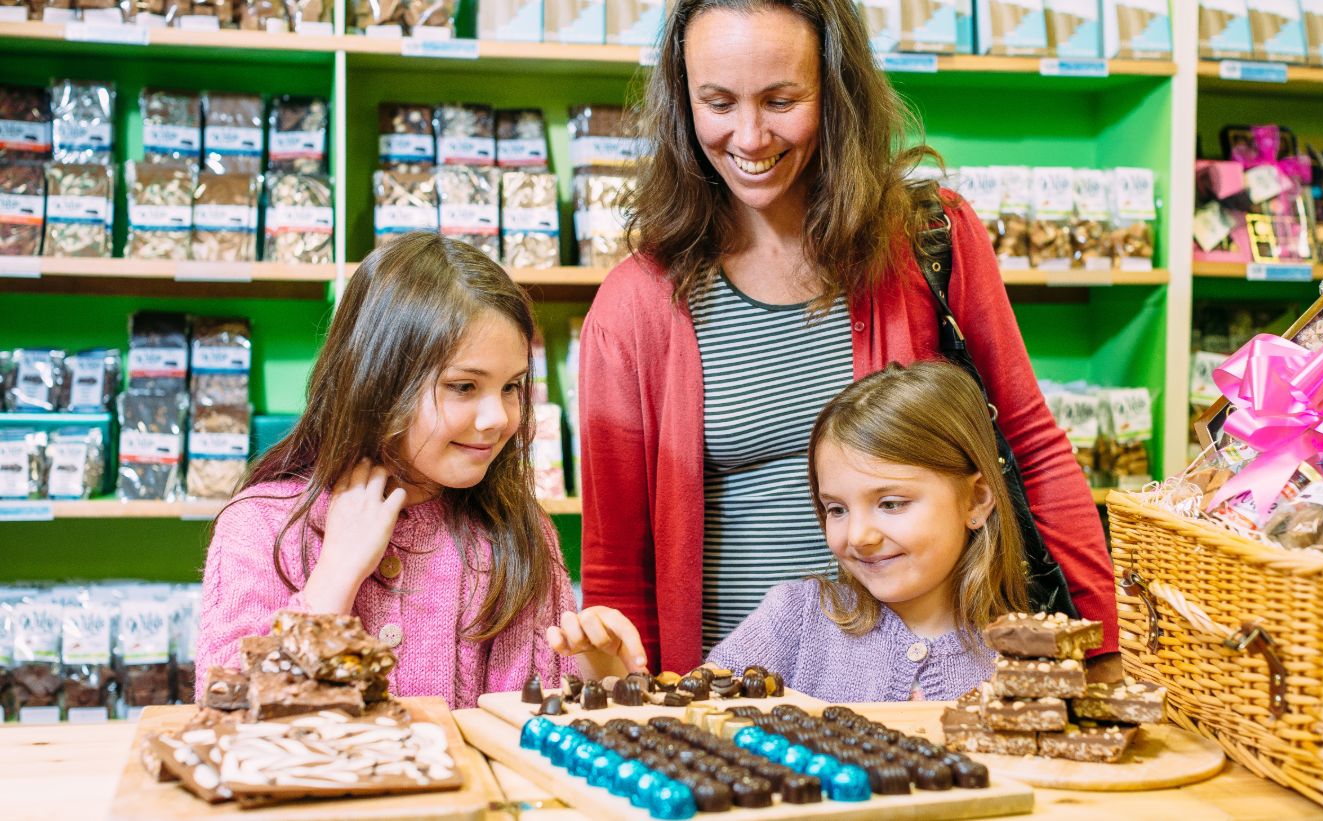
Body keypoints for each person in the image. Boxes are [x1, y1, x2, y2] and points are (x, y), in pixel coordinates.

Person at [578, 0, 1121, 679]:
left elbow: (1032, 448)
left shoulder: (931, 243)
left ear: (836, 93)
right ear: (682, 104)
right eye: (717, 102)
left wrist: (1098, 649)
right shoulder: (635, 306)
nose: (749, 137)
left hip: (927, 688)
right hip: (732, 706)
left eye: (781, 100)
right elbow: (615, 562)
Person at [195, 233, 627, 709]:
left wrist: (597, 675)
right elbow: (228, 712)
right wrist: (336, 574)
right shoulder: (260, 523)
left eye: (512, 387)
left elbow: (534, 726)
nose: (499, 418)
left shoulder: (519, 532)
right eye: (463, 386)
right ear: (378, 382)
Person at [556, 361, 1026, 701]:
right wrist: (609, 672)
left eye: (890, 503)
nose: (858, 535)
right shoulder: (793, 619)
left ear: (977, 500)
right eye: (835, 509)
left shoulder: (1026, 656)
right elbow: (689, 717)